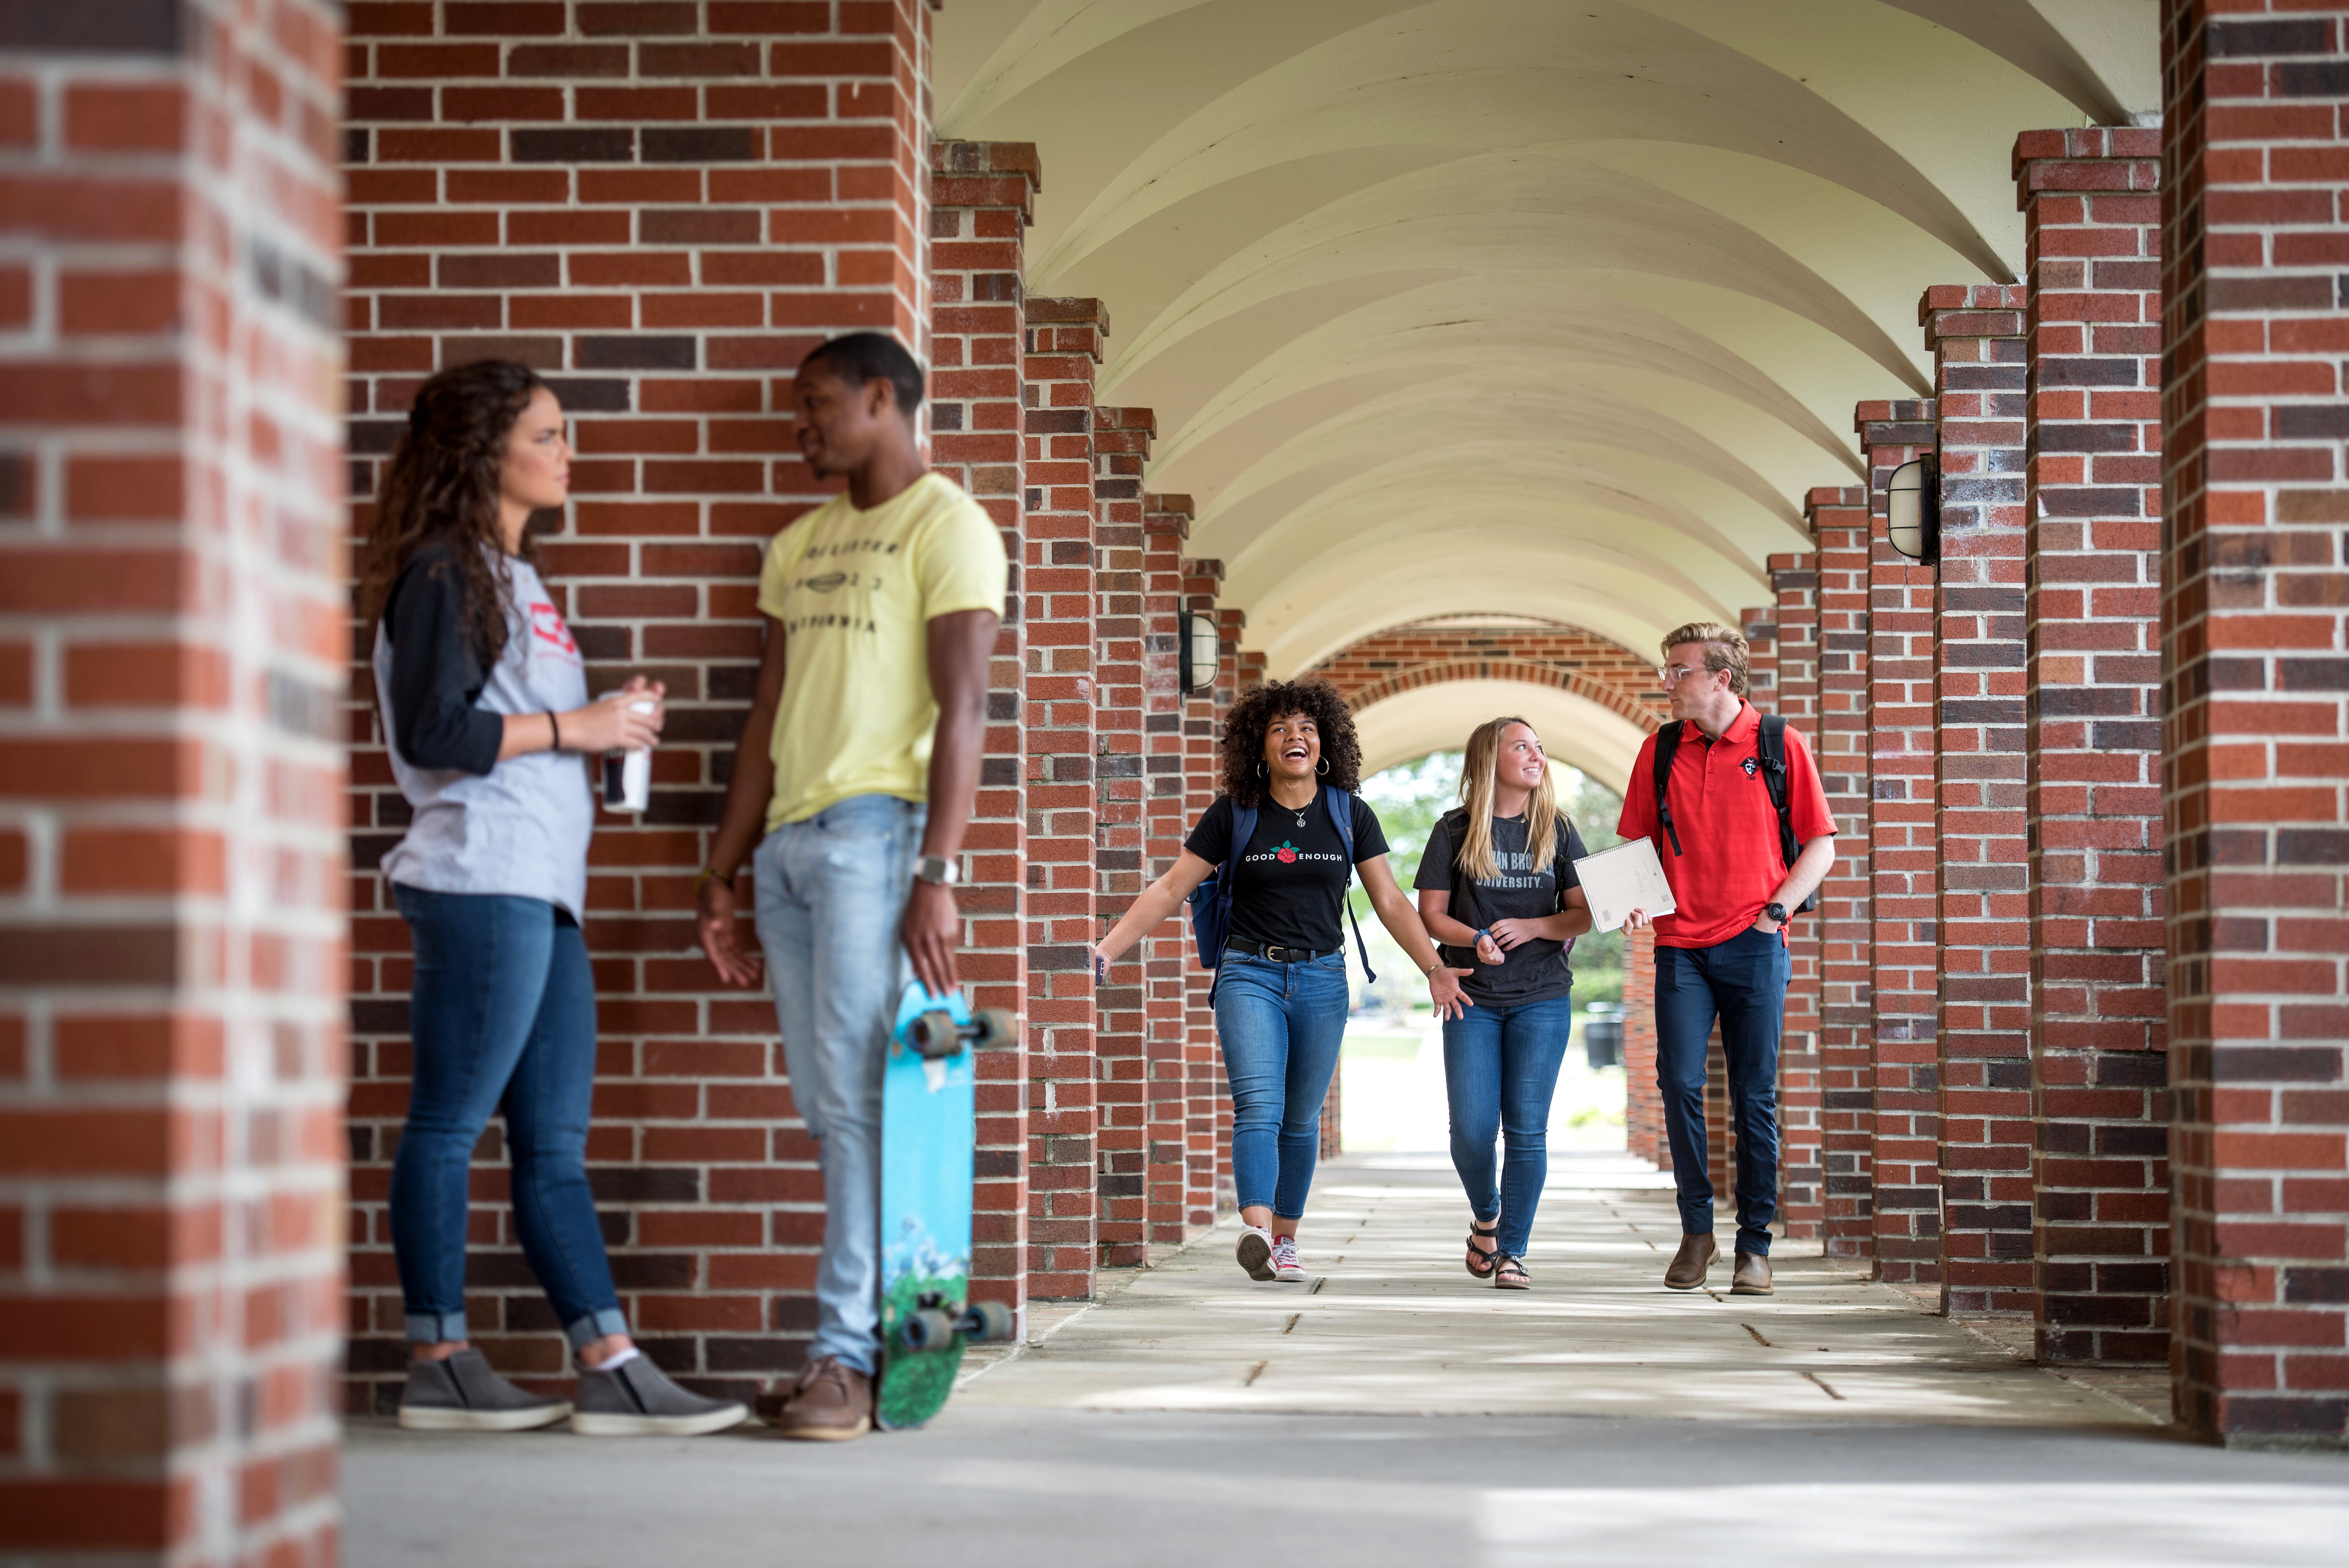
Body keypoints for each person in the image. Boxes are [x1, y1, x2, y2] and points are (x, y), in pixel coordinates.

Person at [365, 359, 748, 1437]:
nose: (569, 451)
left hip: (540, 890)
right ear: (487, 451)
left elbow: (510, 721)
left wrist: (606, 721)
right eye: (549, 432)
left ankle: (609, 1364)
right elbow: (437, 734)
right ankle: (438, 1357)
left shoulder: (509, 574)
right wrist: (575, 729)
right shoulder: (441, 571)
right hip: (479, 879)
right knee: (447, 1124)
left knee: (551, 1145)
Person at [695, 332, 1006, 1442]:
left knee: (862, 1105)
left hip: (879, 840)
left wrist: (939, 871)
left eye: (818, 404)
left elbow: (964, 710)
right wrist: (721, 871)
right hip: (785, 849)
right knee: (833, 1107)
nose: (801, 425)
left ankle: (846, 1356)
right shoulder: (798, 544)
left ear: (885, 398)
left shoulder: (949, 527)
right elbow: (766, 717)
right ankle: (868, 1342)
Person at [1091, 679, 1473, 1284]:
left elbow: (1391, 900)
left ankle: (1285, 1240)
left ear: (1323, 744)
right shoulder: (1234, 814)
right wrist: (1106, 949)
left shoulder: (1349, 813)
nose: (1294, 736)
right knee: (1258, 1106)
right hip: (1249, 972)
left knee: (1300, 1118)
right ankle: (1256, 1230)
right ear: (1259, 747)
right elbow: (1170, 888)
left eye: (1305, 728)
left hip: (1322, 976)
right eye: (1278, 729)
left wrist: (1434, 967)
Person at [1616, 621, 1835, 1297]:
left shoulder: (1777, 745)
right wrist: (1628, 898)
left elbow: (1821, 846)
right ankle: (1696, 1230)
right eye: (1667, 668)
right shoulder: (1658, 752)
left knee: (1753, 1096)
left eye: (1678, 669)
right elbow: (1635, 848)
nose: (1667, 680)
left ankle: (1754, 1246)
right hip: (1680, 944)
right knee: (1680, 1083)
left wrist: (1776, 914)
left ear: (1720, 677)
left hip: (1754, 942)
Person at [1414, 718, 1595, 1290]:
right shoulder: (1454, 829)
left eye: (1540, 746)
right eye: (1522, 746)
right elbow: (1431, 915)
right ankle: (1487, 1215)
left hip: (1541, 995)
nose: (1536, 754)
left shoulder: (1558, 830)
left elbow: (1582, 914)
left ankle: (1512, 1250)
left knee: (1526, 1130)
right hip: (1473, 993)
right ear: (1489, 758)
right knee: (1469, 1130)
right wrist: (1476, 938)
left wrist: (1532, 924)